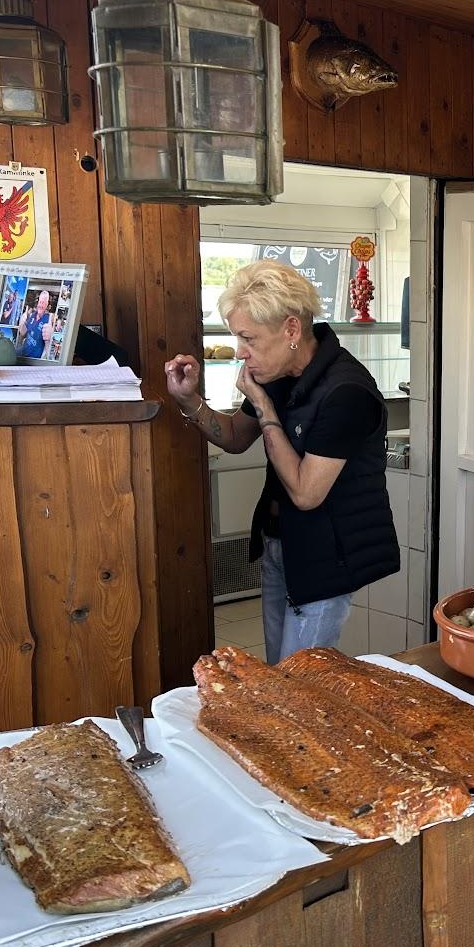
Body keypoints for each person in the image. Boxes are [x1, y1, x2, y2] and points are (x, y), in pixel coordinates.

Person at [165, 261, 399, 662]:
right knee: (278, 675)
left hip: (326, 557)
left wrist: (262, 405)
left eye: (248, 338)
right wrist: (190, 401)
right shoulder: (278, 373)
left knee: (298, 688)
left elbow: (306, 493)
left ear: (291, 330)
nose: (240, 351)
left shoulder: (347, 392)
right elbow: (237, 437)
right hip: (280, 542)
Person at [17, 290, 54, 360]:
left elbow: (48, 354)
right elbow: (23, 333)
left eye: (43, 302)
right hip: (22, 352)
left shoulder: (48, 320)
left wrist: (49, 338)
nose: (40, 305)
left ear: (47, 305)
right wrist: (21, 323)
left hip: (32, 360)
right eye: (40, 302)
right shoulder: (33, 315)